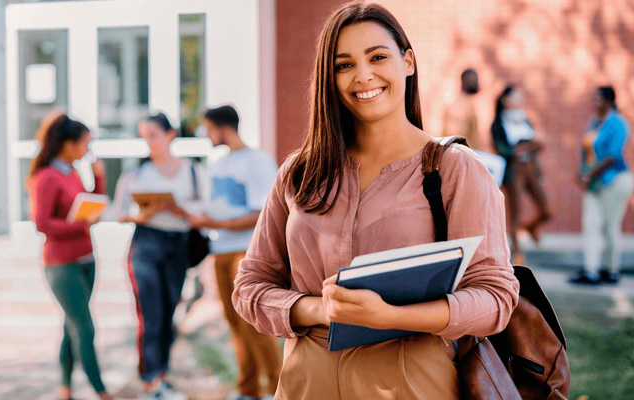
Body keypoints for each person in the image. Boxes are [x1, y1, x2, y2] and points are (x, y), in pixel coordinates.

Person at [231, 3, 519, 399]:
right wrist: (320, 309)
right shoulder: (298, 172)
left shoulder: (456, 170)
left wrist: (392, 317)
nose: (363, 75)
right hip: (305, 386)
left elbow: (496, 298)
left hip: (412, 385)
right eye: (343, 65)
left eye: (378, 57)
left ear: (408, 62)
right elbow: (249, 287)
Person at [187, 105, 281, 400]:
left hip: (248, 251)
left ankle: (278, 389)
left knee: (253, 324)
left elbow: (263, 212)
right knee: (234, 325)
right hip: (221, 250)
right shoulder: (218, 164)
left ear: (223, 127)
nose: (206, 135)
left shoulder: (257, 161)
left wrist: (216, 222)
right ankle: (248, 390)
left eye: (208, 128)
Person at [112, 113, 204, 400]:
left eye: (153, 134)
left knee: (169, 312)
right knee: (150, 313)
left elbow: (204, 211)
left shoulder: (191, 171)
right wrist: (146, 213)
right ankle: (151, 379)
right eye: (144, 136)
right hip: (146, 243)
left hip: (179, 244)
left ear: (170, 135)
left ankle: (162, 374)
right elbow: (120, 213)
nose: (148, 141)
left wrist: (181, 212)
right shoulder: (137, 173)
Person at [27, 112, 112, 400]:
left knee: (72, 324)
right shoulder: (46, 177)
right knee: (84, 327)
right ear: (67, 143)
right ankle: (101, 391)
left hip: (87, 259)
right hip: (62, 265)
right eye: (84, 144)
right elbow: (42, 223)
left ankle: (64, 387)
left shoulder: (72, 172)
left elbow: (91, 205)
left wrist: (99, 179)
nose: (88, 150)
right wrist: (79, 226)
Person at [570, 86, 634, 285]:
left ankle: (612, 270)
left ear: (608, 101)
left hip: (615, 181)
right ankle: (591, 270)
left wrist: (589, 174)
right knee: (590, 223)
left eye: (598, 99)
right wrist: (581, 173)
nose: (594, 102)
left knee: (610, 225)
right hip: (594, 184)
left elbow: (612, 156)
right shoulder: (594, 123)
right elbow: (587, 152)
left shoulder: (617, 123)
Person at [491, 86, 551, 263]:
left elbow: (538, 144)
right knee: (515, 212)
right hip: (514, 170)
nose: (518, 102)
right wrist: (522, 149)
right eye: (514, 98)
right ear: (505, 100)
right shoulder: (499, 123)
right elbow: (502, 149)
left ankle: (531, 226)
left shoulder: (525, 120)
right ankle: (516, 252)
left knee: (546, 209)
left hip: (530, 168)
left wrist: (524, 149)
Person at [442, 68, 481, 150]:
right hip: (462, 153)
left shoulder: (470, 104)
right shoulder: (458, 107)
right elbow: (455, 138)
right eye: (472, 79)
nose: (476, 82)